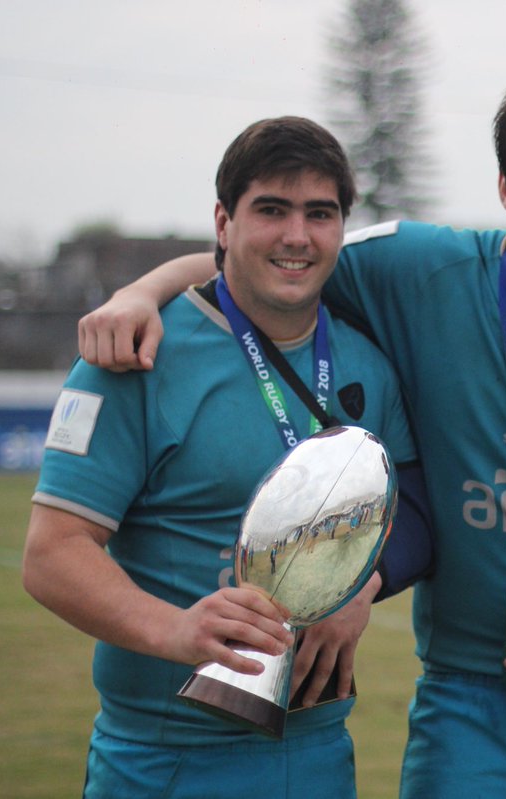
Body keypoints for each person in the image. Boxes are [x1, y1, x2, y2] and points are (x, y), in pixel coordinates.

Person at [75, 68, 506, 798]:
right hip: (461, 693)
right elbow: (268, 259)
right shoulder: (412, 269)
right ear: (505, 184)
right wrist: (142, 290)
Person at [23, 116, 422, 798]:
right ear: (223, 220)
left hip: (317, 749)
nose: (296, 235)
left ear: (340, 230)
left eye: (318, 214)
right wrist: (179, 630)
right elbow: (53, 553)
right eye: (271, 209)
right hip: (164, 754)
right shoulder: (137, 354)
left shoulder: (367, 359)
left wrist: (363, 586)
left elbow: (412, 508)